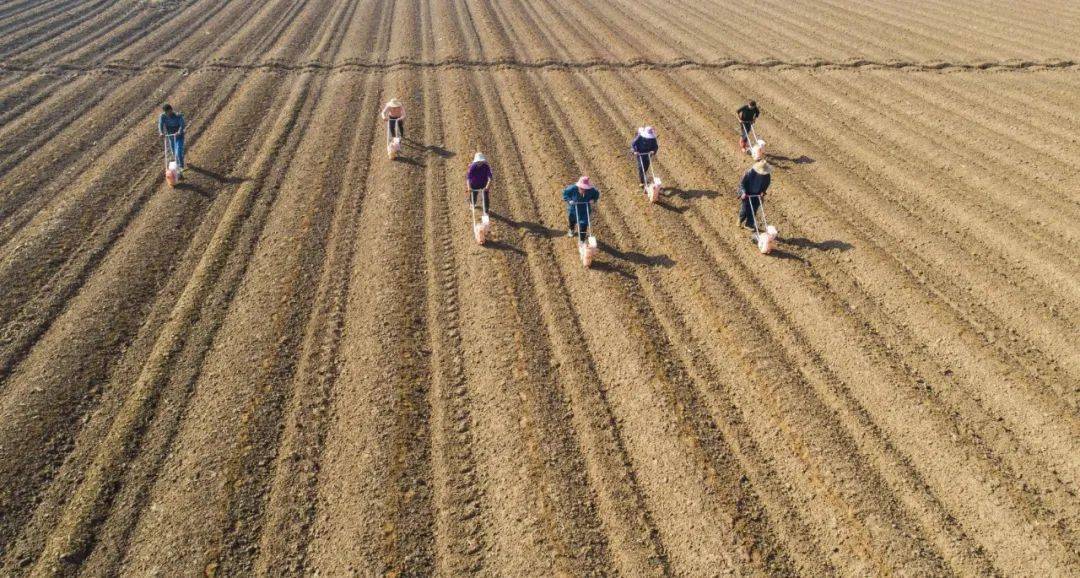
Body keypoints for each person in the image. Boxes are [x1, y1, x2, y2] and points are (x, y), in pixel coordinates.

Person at [738, 159, 772, 230]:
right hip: (747, 193)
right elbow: (742, 184)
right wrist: (743, 192)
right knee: (745, 209)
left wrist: (763, 192)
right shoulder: (748, 173)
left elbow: (766, 184)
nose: (762, 174)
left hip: (757, 194)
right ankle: (740, 219)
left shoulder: (767, 176)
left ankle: (749, 224)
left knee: (753, 210)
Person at [563, 176, 600, 241]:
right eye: (582, 188)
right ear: (578, 186)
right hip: (573, 209)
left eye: (585, 189)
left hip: (584, 210)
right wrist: (569, 200)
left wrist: (593, 200)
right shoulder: (572, 188)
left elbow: (596, 194)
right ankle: (571, 230)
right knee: (572, 221)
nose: (583, 190)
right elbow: (565, 194)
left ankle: (582, 240)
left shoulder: (591, 190)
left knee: (583, 225)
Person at [158, 103, 185, 177]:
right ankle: (178, 167)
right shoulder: (162, 116)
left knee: (178, 152)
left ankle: (181, 167)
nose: (169, 113)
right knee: (174, 153)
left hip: (179, 136)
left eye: (170, 111)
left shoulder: (178, 116)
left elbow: (182, 125)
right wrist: (161, 132)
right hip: (171, 136)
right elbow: (160, 124)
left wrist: (179, 131)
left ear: (172, 110)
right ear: (165, 112)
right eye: (167, 112)